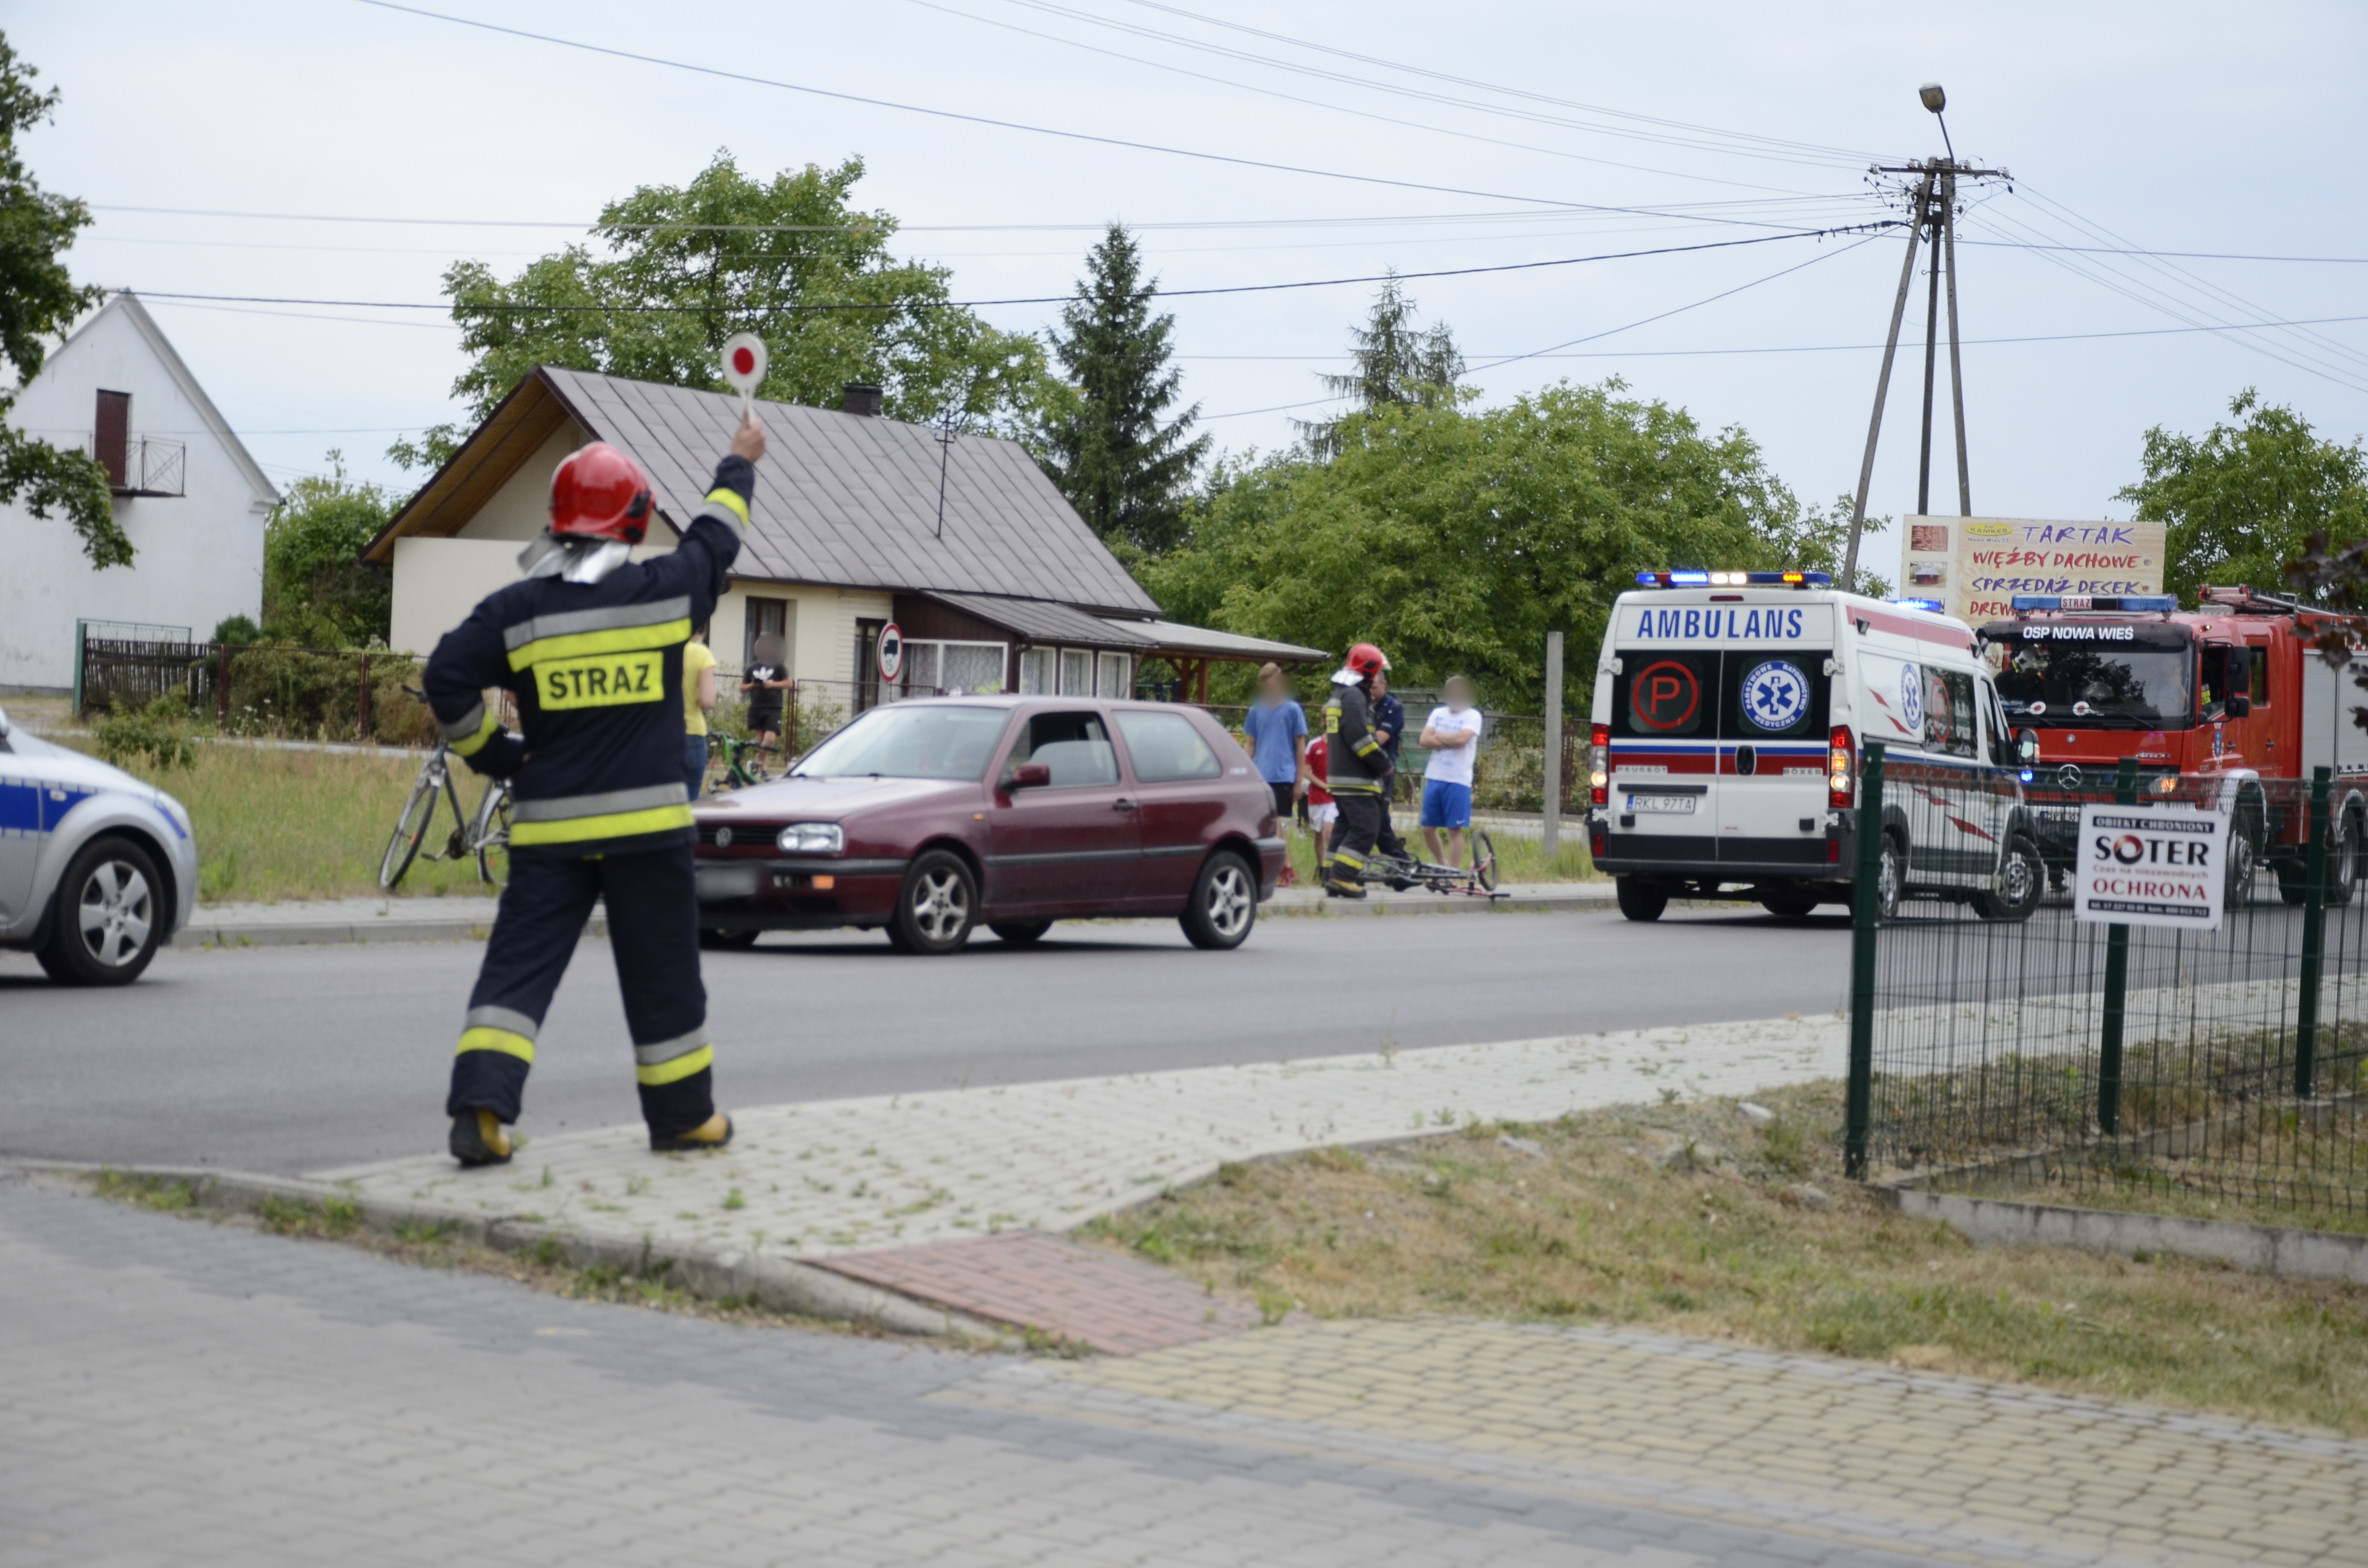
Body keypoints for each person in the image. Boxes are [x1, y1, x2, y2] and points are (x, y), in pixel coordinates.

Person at [423, 414, 766, 1167]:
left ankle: (481, 1112)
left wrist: (500, 756)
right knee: (663, 976)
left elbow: (443, 678)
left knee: (517, 971)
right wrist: (738, 461)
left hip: (550, 834)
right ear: (636, 521)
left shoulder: (518, 612)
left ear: (557, 521)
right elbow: (715, 540)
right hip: (649, 833)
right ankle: (682, 1118)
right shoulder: (665, 594)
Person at [1321, 642, 1393, 899]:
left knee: (1344, 827)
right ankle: (1343, 877)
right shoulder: (1353, 696)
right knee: (1366, 828)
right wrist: (1383, 763)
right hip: (1356, 779)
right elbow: (1359, 739)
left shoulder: (1339, 693)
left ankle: (1330, 875)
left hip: (1340, 777)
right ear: (1370, 670)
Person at [1241, 662, 1308, 886]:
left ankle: (1285, 868)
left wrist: (1299, 780)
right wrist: (1241, 769)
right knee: (1268, 826)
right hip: (1261, 775)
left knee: (1277, 823)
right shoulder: (1256, 710)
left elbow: (1300, 745)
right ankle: (1285, 867)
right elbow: (1251, 743)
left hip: (1283, 776)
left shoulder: (1292, 710)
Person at [1418, 674, 1485, 868]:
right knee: (1427, 828)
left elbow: (1462, 740)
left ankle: (1453, 872)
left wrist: (1438, 736)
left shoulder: (1473, 716)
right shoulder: (1438, 713)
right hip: (1435, 777)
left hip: (1458, 780)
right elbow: (1424, 740)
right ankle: (1442, 864)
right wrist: (1449, 739)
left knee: (1454, 830)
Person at [1369, 667, 1410, 863]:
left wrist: (1355, 739)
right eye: (1367, 686)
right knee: (1372, 820)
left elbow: (1380, 739)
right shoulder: (1362, 704)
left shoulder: (1393, 707)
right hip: (1363, 769)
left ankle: (1399, 859)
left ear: (1384, 684)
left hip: (1383, 769)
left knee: (1380, 817)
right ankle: (1398, 859)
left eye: (1374, 686)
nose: (1370, 690)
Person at [740, 633, 789, 773]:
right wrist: (753, 686)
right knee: (761, 740)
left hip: (774, 708)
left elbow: (789, 683)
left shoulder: (778, 666)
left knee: (770, 739)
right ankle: (764, 771)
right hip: (756, 707)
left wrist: (773, 684)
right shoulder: (752, 668)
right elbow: (742, 687)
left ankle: (756, 763)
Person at [682, 626, 718, 800]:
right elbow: (707, 701)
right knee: (689, 808)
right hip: (691, 734)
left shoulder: (656, 650)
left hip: (657, 736)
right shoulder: (700, 653)